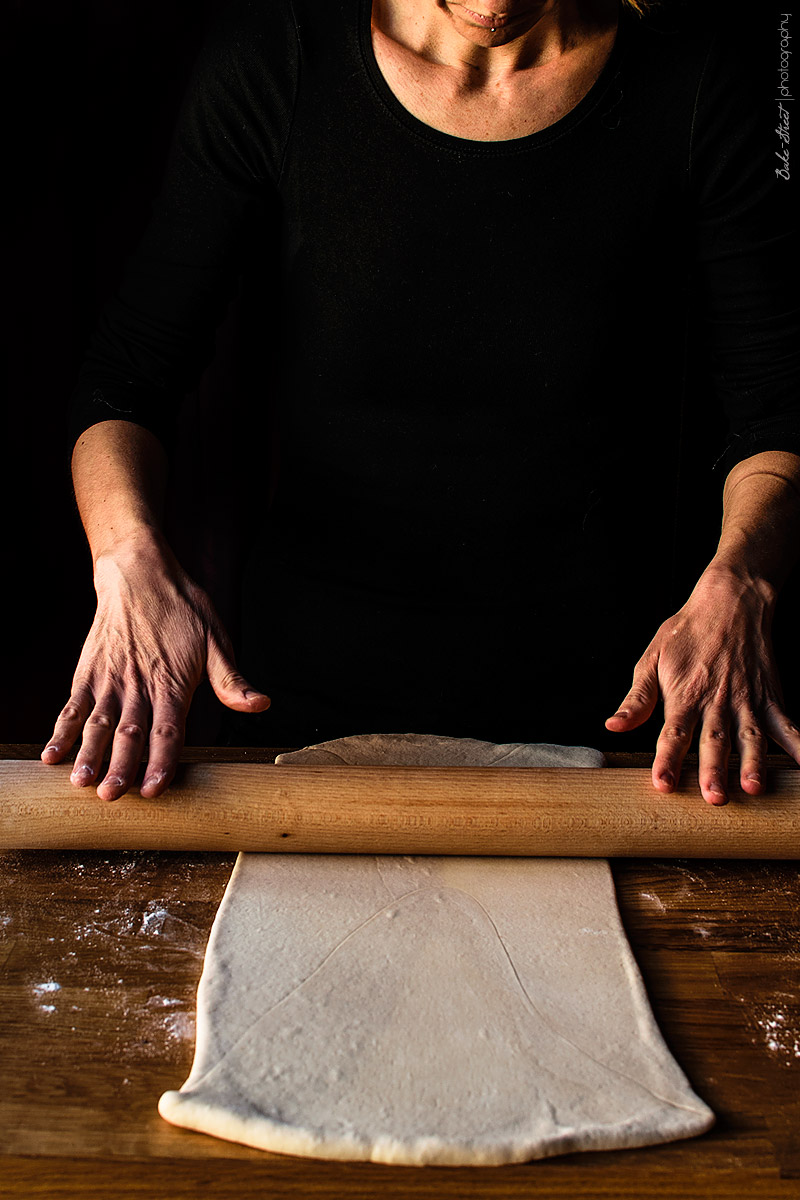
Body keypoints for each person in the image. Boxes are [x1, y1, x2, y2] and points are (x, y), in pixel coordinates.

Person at [42, 0, 800, 806]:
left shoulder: (700, 76)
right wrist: (128, 559)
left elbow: (778, 404)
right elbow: (127, 376)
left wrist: (743, 577)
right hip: (305, 711)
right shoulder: (278, 60)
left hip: (624, 727)